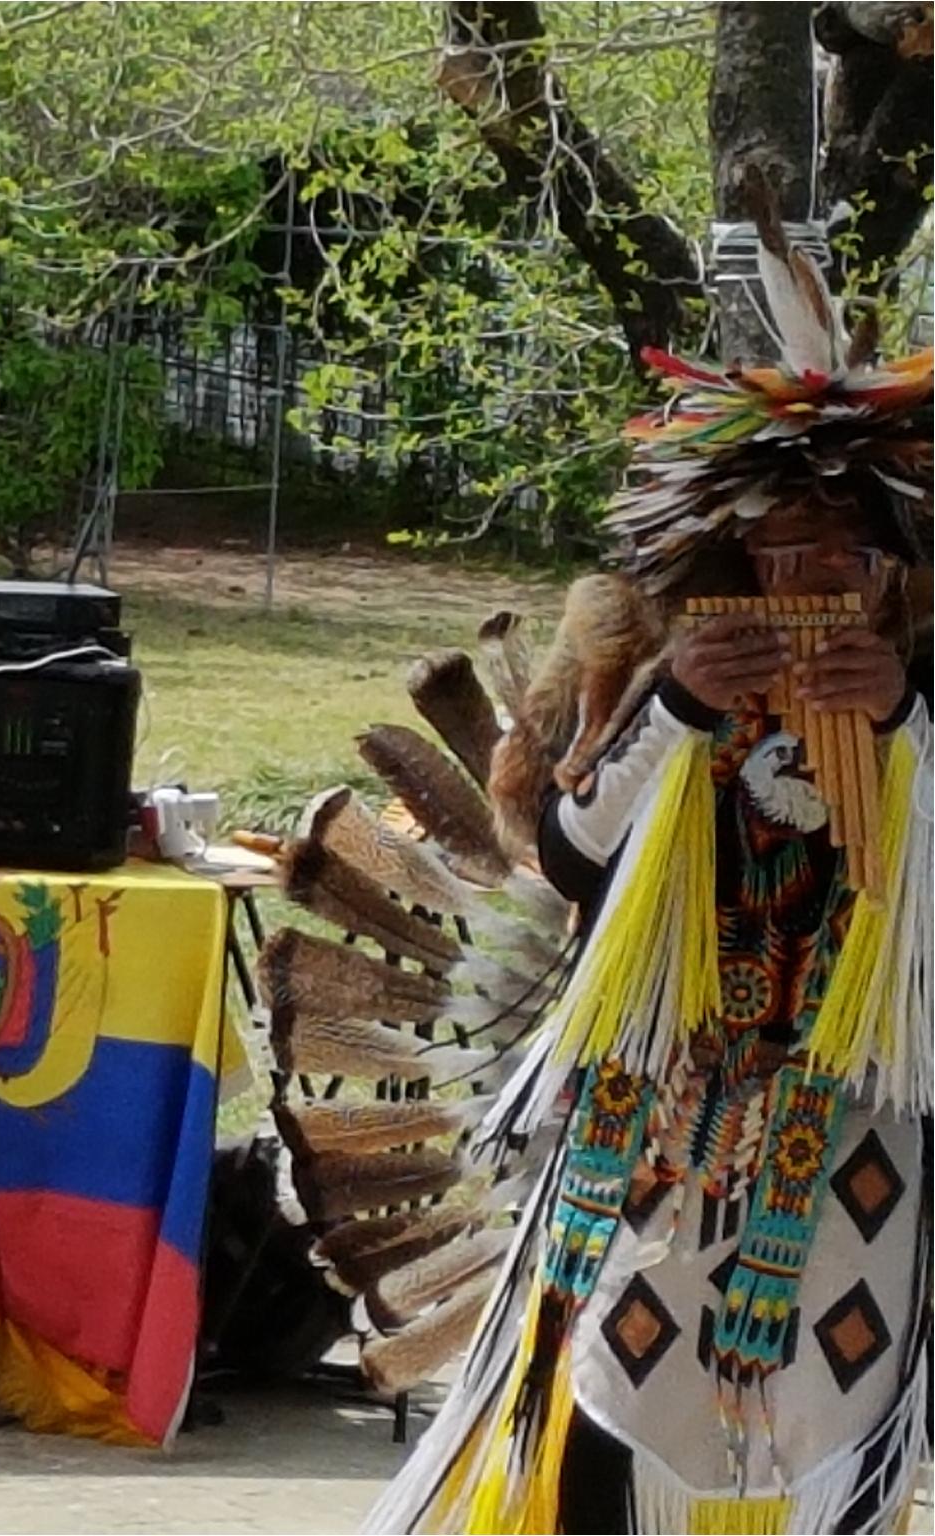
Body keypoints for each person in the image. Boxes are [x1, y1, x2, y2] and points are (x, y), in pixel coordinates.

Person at [368, 225, 930, 1534]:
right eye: (785, 555)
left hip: (863, 1110)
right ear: (737, 562)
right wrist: (678, 713)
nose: (817, 580)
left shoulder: (919, 685)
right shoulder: (673, 677)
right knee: (618, 1387)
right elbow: (573, 858)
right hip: (669, 1092)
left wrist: (904, 731)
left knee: (839, 1406)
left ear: (894, 562)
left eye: (845, 555)